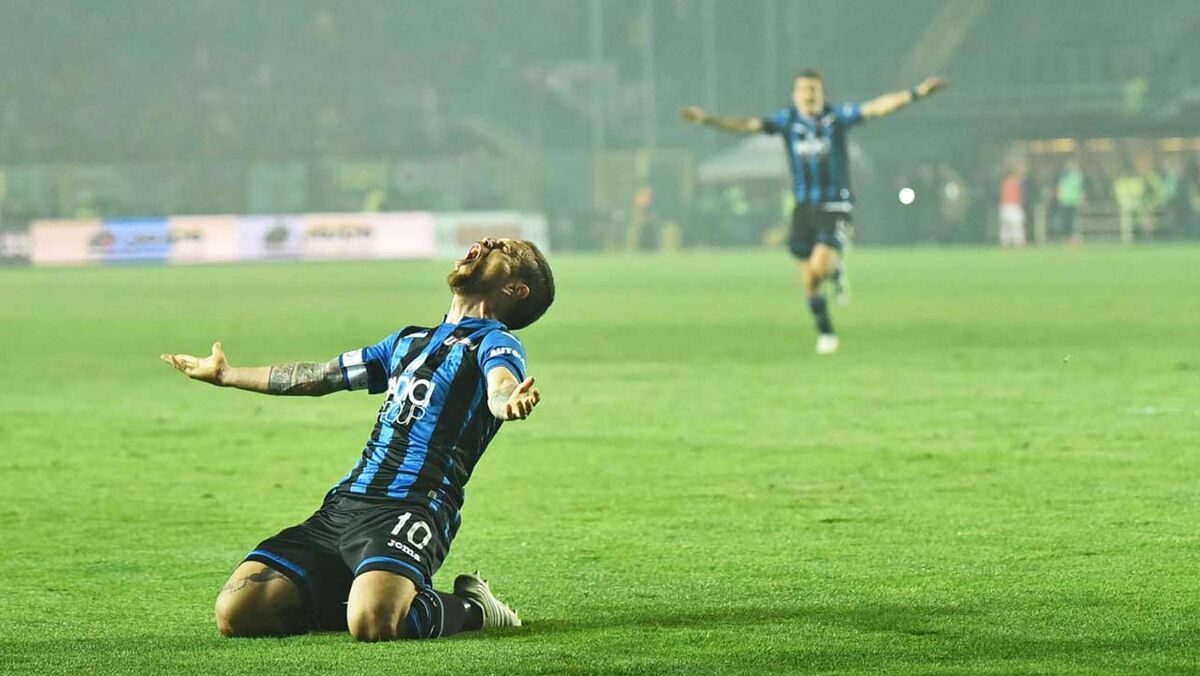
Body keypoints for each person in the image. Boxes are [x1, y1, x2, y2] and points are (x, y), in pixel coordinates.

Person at [160, 238, 554, 641]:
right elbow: (322, 376)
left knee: (375, 625)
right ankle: (360, 596)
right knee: (237, 613)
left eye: (506, 249)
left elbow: (500, 383)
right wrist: (228, 375)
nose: (488, 241)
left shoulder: (495, 342)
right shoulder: (406, 342)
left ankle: (474, 608)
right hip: (346, 504)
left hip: (413, 506)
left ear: (515, 289)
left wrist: (507, 401)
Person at [682, 70, 946, 354]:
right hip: (803, 207)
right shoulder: (787, 122)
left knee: (821, 266)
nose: (808, 94)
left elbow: (875, 107)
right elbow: (747, 125)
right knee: (809, 279)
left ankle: (834, 269)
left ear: (823, 93)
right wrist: (707, 119)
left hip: (835, 204)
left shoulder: (836, 118)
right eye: (803, 89)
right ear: (794, 95)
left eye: (813, 89)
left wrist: (915, 93)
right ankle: (826, 330)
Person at [999, 166, 1027, 248]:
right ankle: (1018, 242)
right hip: (1013, 205)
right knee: (1017, 225)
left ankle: (1005, 242)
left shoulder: (1004, 183)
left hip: (1005, 206)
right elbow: (1019, 196)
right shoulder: (1015, 183)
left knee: (1006, 226)